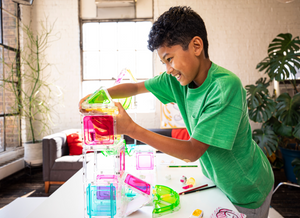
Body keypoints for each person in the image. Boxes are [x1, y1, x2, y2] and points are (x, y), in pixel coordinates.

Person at [79, 6, 274, 218]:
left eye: (169, 59)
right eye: (164, 63)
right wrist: (97, 96)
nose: (168, 70)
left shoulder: (224, 87)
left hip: (246, 188)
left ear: (196, 46)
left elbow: (192, 151)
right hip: (219, 181)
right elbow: (135, 88)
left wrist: (131, 129)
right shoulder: (176, 81)